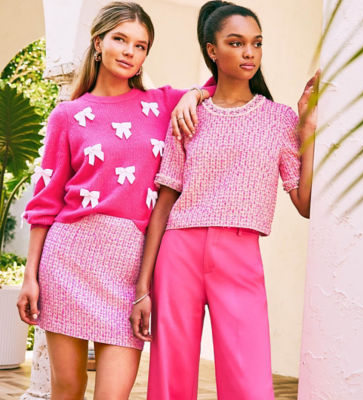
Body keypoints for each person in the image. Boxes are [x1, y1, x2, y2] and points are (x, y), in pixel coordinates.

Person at [16, 2, 214, 399]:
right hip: (69, 258)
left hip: (128, 266)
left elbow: (217, 87)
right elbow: (45, 202)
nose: (129, 51)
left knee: (114, 393)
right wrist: (30, 276)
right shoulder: (68, 115)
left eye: (140, 46)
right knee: (67, 389)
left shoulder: (160, 103)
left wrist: (193, 93)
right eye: (120, 39)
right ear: (98, 43)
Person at [130, 1, 318, 399]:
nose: (249, 52)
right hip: (178, 250)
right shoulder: (189, 115)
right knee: (169, 378)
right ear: (212, 50)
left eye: (256, 43)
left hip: (240, 251)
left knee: (249, 380)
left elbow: (305, 202)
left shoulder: (279, 118)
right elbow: (164, 202)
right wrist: (143, 286)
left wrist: (309, 126)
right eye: (236, 43)